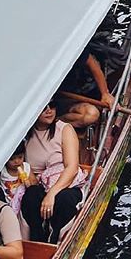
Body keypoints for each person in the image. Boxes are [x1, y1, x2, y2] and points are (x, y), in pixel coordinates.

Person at [21, 99, 86, 243]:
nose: (49, 110)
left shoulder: (64, 129)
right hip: (39, 184)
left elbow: (72, 167)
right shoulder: (24, 134)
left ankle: (56, 240)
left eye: (52, 105)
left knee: (64, 200)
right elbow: (25, 167)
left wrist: (51, 194)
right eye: (44, 107)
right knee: (31, 196)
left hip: (65, 183)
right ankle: (36, 240)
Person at [56, 48, 116, 129]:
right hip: (59, 100)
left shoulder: (72, 48)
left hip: (77, 93)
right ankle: (55, 122)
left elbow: (93, 67)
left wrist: (105, 93)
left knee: (93, 113)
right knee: (92, 115)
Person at [0, 142, 37, 219]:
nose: (17, 161)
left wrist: (28, 182)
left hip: (24, 202)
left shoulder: (26, 167)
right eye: (12, 159)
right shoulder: (3, 171)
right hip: (8, 203)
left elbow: (35, 183)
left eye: (20, 157)